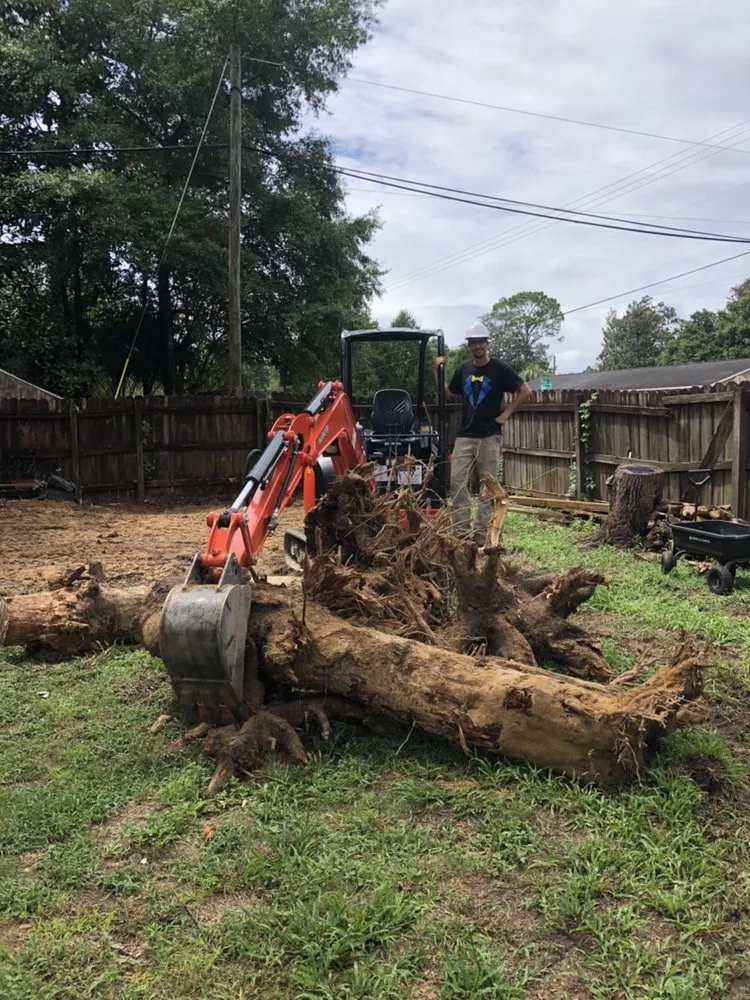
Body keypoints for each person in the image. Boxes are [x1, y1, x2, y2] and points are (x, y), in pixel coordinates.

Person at [433, 320, 531, 545]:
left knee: (487, 487)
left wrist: (506, 415)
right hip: (465, 435)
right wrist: (436, 372)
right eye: (473, 342)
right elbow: (448, 395)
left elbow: (525, 391)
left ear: (486, 343)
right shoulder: (464, 369)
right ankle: (461, 532)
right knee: (457, 480)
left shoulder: (499, 369)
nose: (477, 346)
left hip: (489, 436)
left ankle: (480, 535)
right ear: (468, 346)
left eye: (480, 342)